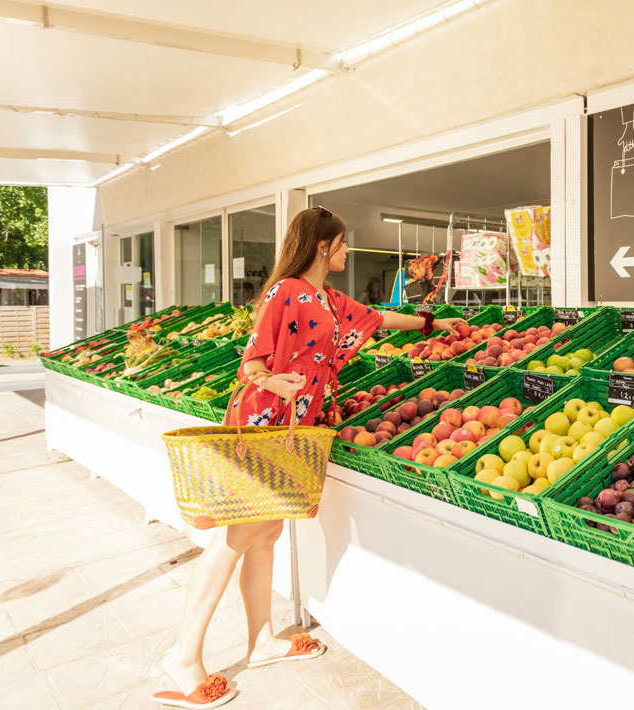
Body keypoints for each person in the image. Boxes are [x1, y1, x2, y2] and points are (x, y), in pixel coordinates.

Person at [152, 206, 465, 708]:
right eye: (342, 244)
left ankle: (261, 642)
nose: (346, 251)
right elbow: (251, 363)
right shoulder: (285, 293)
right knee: (236, 535)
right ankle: (184, 655)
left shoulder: (329, 299)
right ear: (323, 246)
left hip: (297, 426)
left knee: (267, 532)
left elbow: (379, 317)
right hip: (263, 422)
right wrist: (272, 380)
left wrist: (431, 321)